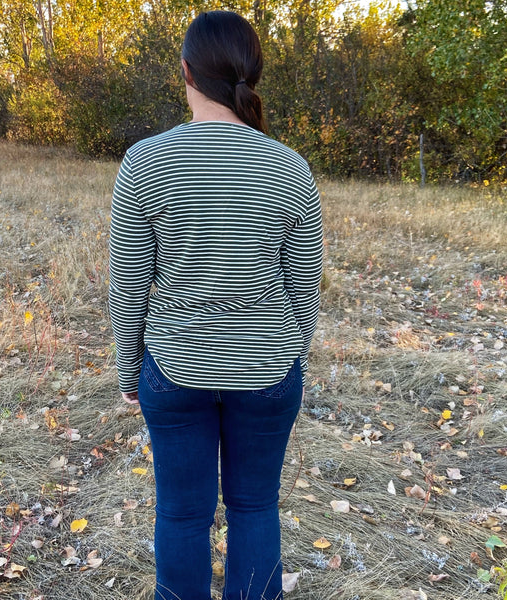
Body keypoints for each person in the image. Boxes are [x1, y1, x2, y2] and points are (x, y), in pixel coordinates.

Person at [108, 10, 323, 600]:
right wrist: (287, 356)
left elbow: (130, 285)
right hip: (268, 371)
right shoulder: (290, 169)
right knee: (255, 506)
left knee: (182, 514)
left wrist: (130, 370)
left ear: (185, 71)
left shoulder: (145, 163)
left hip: (175, 366)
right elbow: (304, 290)